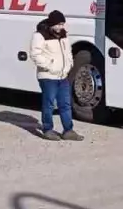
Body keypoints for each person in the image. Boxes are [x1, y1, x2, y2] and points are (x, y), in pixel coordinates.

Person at [30, 10, 83, 141]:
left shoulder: (64, 35)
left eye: (62, 24)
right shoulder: (40, 35)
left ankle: (68, 130)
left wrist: (69, 64)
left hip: (62, 75)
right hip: (48, 76)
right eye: (58, 24)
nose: (61, 27)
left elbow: (68, 51)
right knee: (49, 104)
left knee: (65, 104)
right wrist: (50, 65)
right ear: (52, 24)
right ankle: (47, 129)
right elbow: (35, 54)